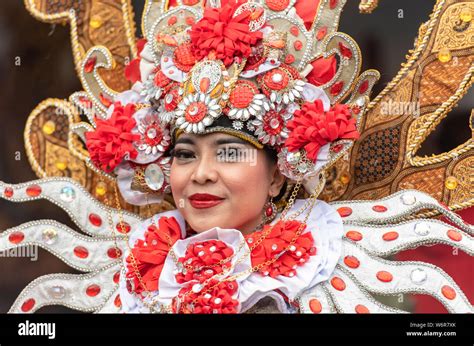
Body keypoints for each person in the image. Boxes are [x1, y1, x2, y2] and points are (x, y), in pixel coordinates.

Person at [0, 0, 472, 314]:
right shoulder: (138, 272)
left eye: (229, 152)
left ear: (276, 174)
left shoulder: (332, 267)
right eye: (184, 154)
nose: (201, 174)